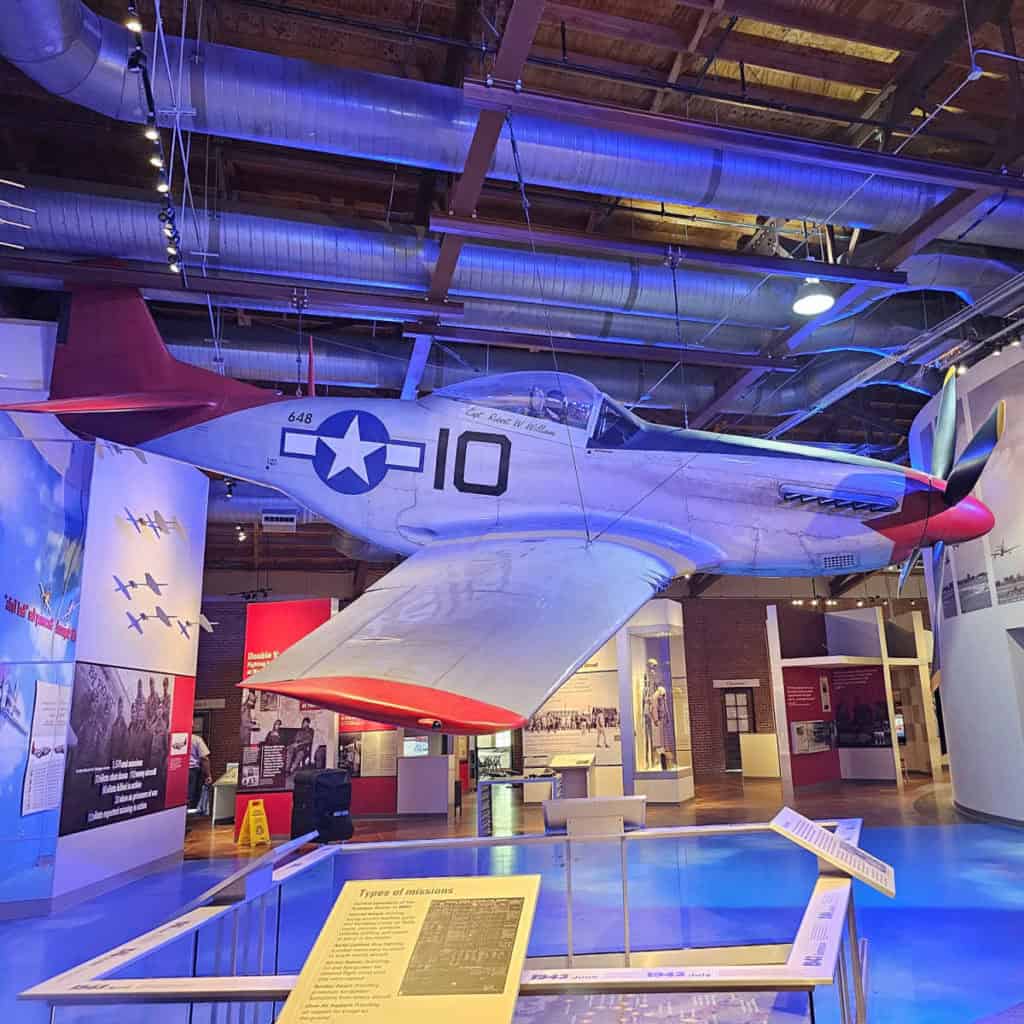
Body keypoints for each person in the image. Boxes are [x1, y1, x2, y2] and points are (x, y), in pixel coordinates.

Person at [189, 732, 212, 809]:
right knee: (192, 796)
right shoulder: (196, 739)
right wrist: (208, 775)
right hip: (192, 771)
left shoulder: (173, 737)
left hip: (175, 771)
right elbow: (204, 758)